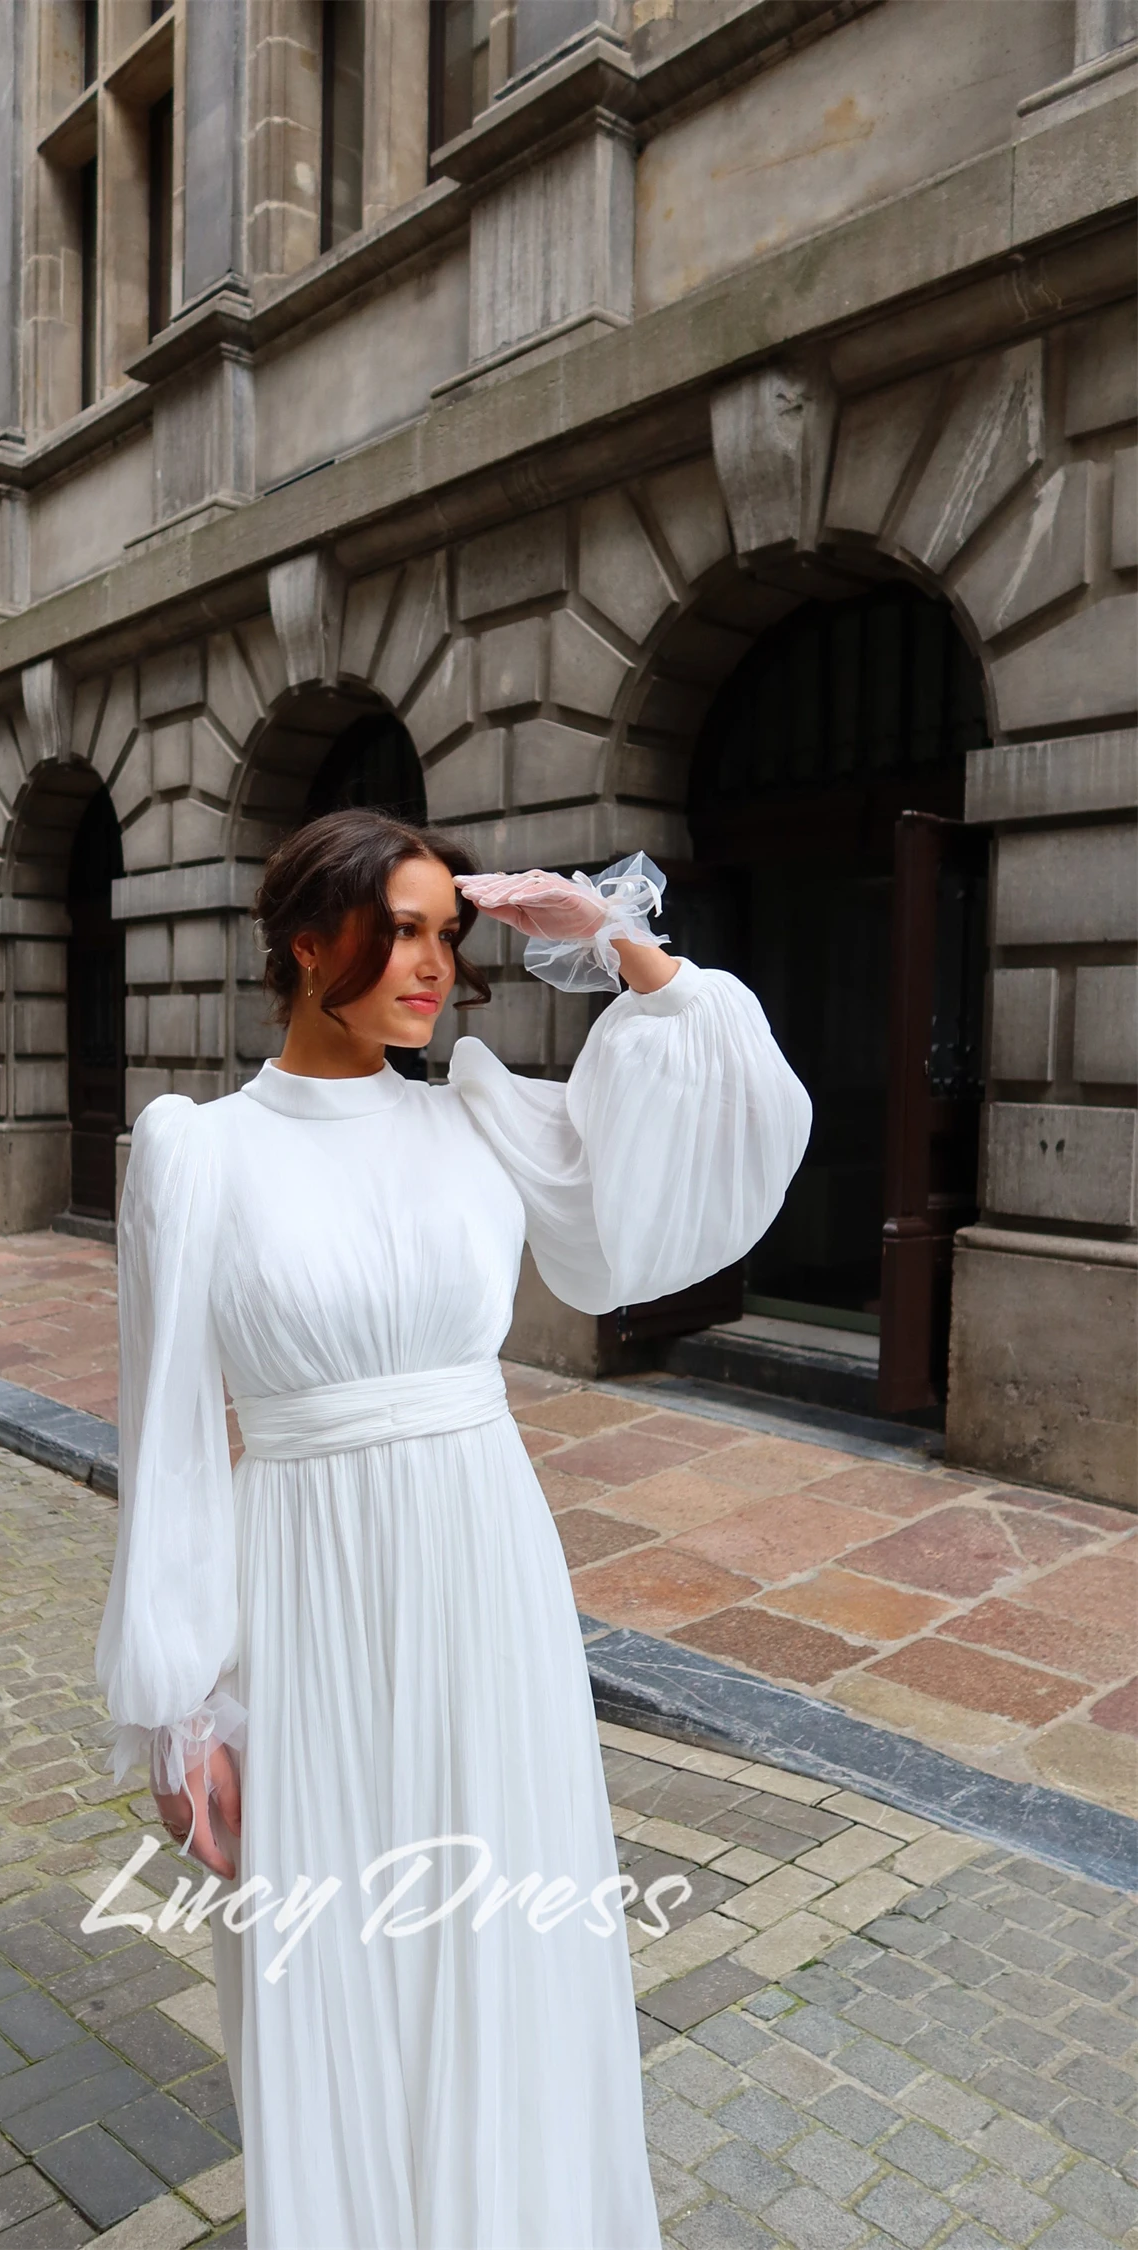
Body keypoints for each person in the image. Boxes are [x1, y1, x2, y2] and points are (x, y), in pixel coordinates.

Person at [95, 808, 811, 2249]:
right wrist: (181, 1708)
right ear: (309, 946)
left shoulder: (476, 1114)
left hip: (486, 1579)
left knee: (506, 1938)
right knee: (334, 1947)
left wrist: (616, 941)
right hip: (304, 1589)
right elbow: (165, 1437)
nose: (434, 964)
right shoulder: (198, 1153)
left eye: (445, 933)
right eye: (399, 931)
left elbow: (716, 1144)